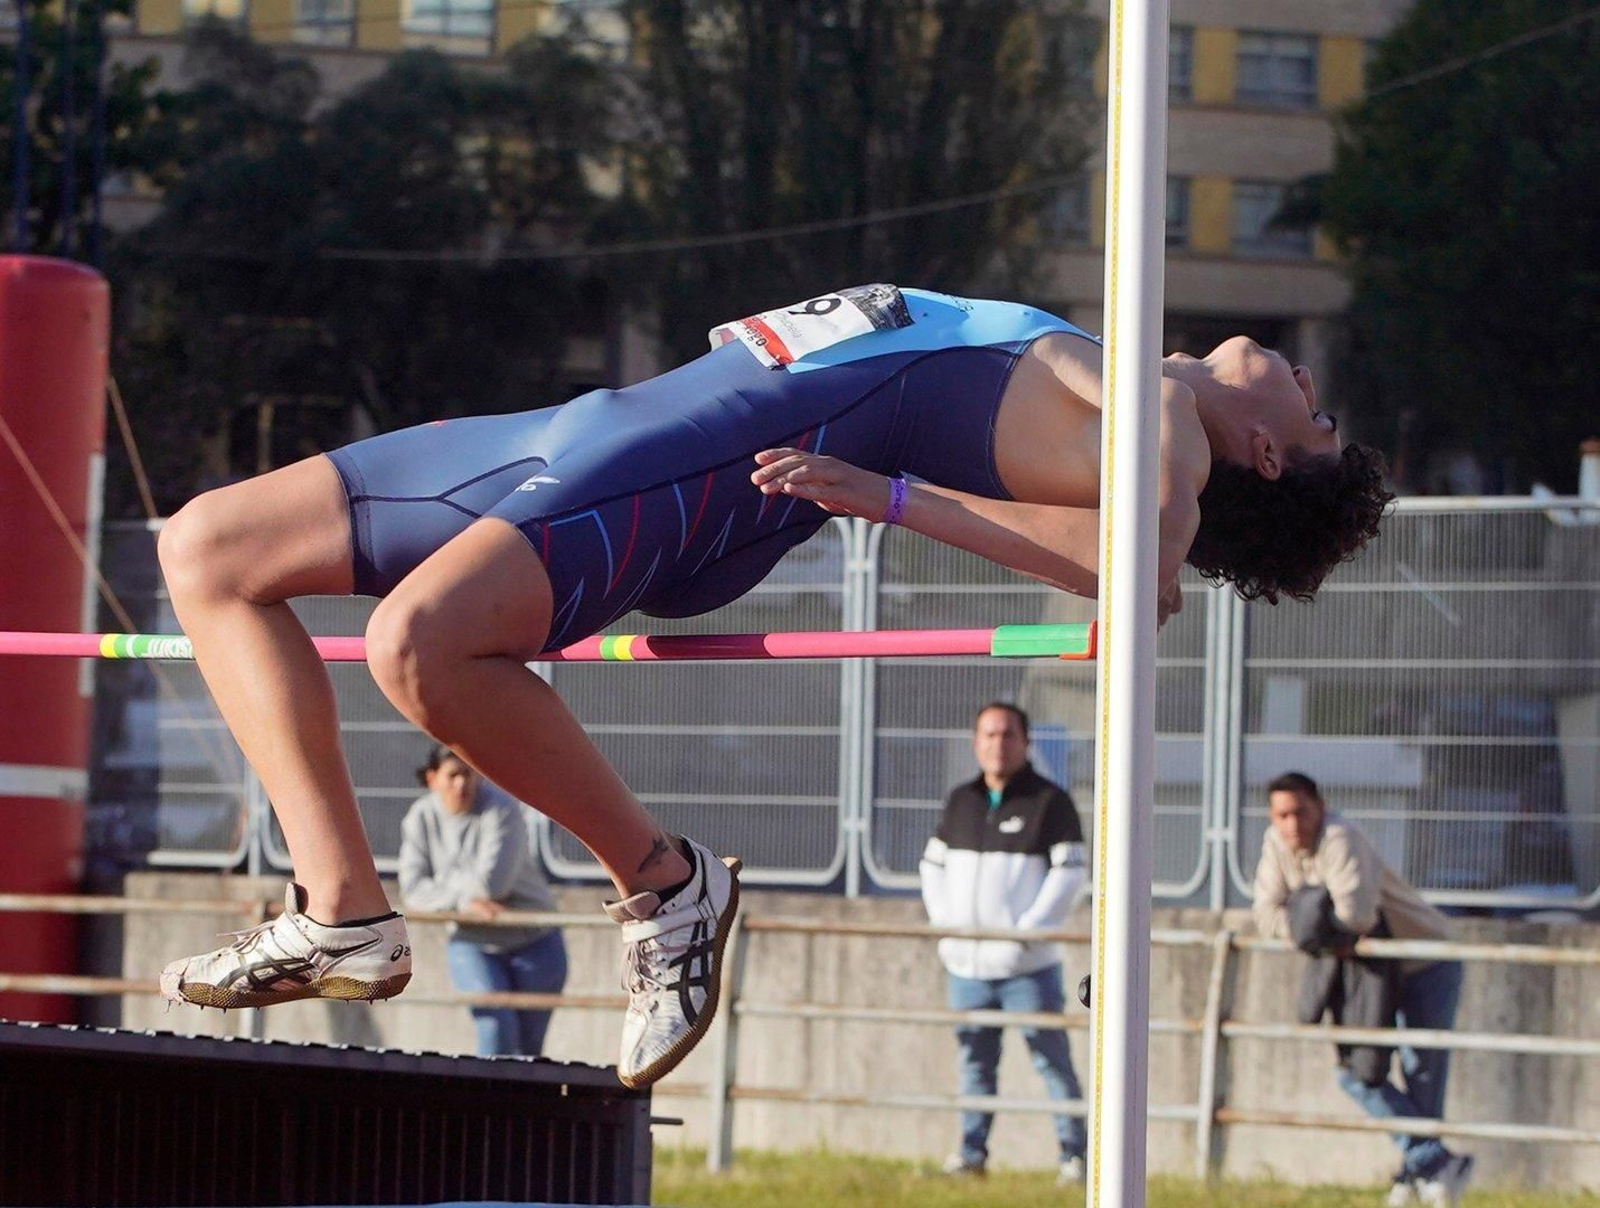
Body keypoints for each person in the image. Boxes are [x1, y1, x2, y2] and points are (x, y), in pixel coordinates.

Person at [153, 284, 1390, 1089]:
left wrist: (897, 501)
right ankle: (342, 905)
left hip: (691, 460)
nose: (1299, 377)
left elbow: (1140, 568)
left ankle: (664, 884)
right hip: (601, 423)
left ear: (1268, 453)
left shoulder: (1165, 420)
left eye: (1316, 416)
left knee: (416, 644)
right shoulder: (1119, 367)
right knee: (207, 547)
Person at [1252, 771, 1473, 1208]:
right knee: (1357, 1072)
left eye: (1300, 812)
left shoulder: (1340, 836)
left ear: (1320, 806)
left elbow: (1355, 916)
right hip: (1366, 971)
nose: (1292, 824)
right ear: (1271, 817)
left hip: (1424, 959)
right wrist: (1313, 924)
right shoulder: (1275, 844)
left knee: (1422, 1077)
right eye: (1282, 815)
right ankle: (1436, 1164)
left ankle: (1419, 1176)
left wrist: (1302, 919)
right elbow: (1263, 913)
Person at [920, 701, 1089, 1184]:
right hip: (966, 967)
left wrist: (1025, 935)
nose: (998, 744)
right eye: (989, 735)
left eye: (1008, 735)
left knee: (1052, 1062)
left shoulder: (1050, 801)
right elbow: (932, 866)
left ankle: (1074, 1160)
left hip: (1027, 968)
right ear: (976, 742)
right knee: (974, 1063)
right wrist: (947, 927)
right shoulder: (961, 800)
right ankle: (971, 1157)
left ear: (1026, 742)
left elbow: (1070, 873)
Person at [398, 744, 568, 1058]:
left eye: (467, 774)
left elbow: (493, 884)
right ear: (433, 778)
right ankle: (491, 1103)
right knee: (494, 1025)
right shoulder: (420, 817)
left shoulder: (501, 807)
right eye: (452, 775)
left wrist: (444, 893)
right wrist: (464, 902)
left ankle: (521, 1105)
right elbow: (411, 890)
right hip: (471, 941)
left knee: (529, 1048)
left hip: (535, 941)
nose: (461, 784)